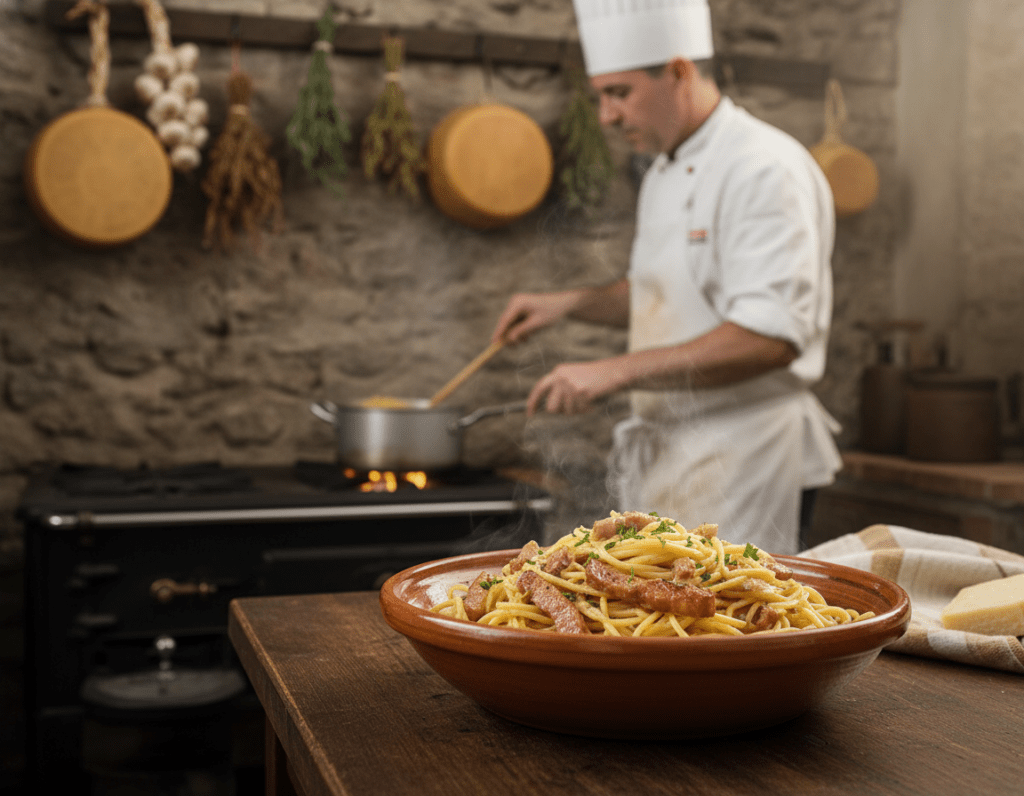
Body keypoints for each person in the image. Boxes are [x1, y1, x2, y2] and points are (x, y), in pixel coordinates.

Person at [490, 0, 842, 555]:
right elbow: (666, 293)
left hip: (744, 456)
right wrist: (570, 303)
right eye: (600, 95)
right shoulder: (661, 169)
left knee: (732, 625)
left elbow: (771, 338)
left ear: (679, 71)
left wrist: (615, 371)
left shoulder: (763, 168)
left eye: (619, 93)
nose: (606, 115)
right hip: (674, 453)